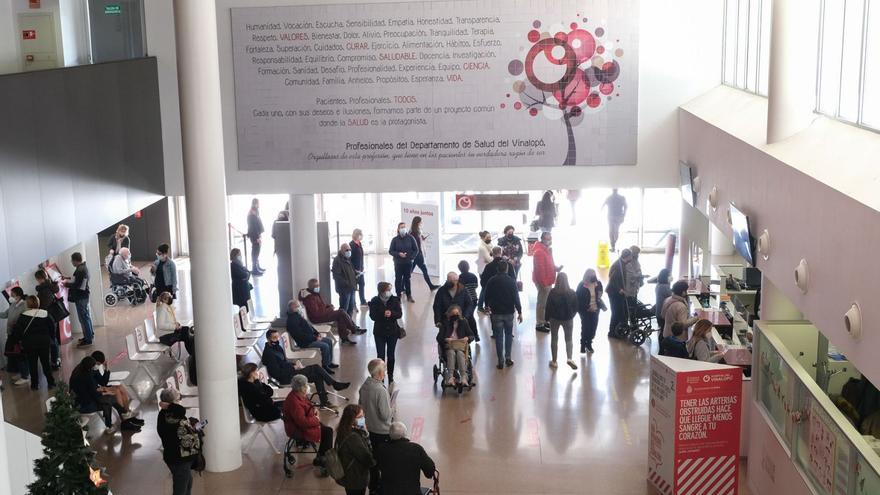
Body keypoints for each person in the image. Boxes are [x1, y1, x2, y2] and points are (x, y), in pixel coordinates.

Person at [261, 329, 349, 405]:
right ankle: (334, 384)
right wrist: (293, 368)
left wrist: (294, 364)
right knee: (316, 368)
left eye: (278, 337)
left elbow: (283, 363)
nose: (277, 340)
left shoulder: (277, 347)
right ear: (268, 339)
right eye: (274, 338)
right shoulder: (269, 354)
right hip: (286, 377)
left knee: (317, 376)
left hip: (290, 372)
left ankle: (324, 401)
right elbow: (277, 373)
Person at [70, 356, 141, 432]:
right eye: (95, 365)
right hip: (84, 405)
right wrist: (105, 392)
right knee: (108, 401)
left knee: (110, 398)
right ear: (90, 367)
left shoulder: (81, 370)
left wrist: (106, 369)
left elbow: (100, 384)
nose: (96, 367)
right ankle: (122, 418)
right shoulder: (87, 376)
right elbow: (94, 393)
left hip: (83, 399)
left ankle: (120, 420)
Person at [283, 375, 334, 469]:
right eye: (306, 385)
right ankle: (322, 460)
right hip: (297, 429)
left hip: (302, 423)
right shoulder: (294, 402)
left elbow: (307, 404)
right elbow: (302, 422)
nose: (307, 386)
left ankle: (322, 457)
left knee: (326, 430)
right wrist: (316, 419)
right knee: (328, 432)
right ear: (301, 388)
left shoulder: (298, 394)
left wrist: (314, 409)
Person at [157, 388, 201, 495]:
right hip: (179, 458)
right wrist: (170, 405)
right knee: (181, 488)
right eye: (178, 398)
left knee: (188, 482)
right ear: (171, 403)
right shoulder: (171, 414)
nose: (180, 400)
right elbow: (181, 411)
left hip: (178, 457)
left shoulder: (166, 413)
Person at [359, 359, 392, 493]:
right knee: (384, 462)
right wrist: (392, 409)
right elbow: (385, 416)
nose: (385, 372)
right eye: (384, 369)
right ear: (379, 372)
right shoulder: (380, 390)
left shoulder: (364, 386)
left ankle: (373, 486)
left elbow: (360, 407)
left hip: (370, 428)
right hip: (382, 431)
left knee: (374, 461)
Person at [375, 422, 436, 495]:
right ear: (405, 434)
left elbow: (375, 467)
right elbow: (430, 471)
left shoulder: (381, 449)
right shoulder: (416, 449)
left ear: (390, 435)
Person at [9, 296, 55, 390]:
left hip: (29, 344)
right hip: (44, 343)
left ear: (27, 304)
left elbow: (18, 331)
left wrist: (17, 341)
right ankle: (51, 382)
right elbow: (52, 327)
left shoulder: (23, 316)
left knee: (32, 364)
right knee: (46, 363)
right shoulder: (45, 313)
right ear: (38, 303)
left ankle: (34, 385)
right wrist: (51, 338)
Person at [298, 279, 362, 344]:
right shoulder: (310, 298)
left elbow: (320, 306)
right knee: (341, 312)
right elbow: (317, 313)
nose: (318, 287)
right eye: (316, 286)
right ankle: (353, 329)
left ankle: (345, 338)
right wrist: (329, 309)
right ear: (312, 287)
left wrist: (328, 306)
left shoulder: (314, 294)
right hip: (317, 318)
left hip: (321, 315)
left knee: (341, 316)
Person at [485, 262, 522, 369]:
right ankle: (508, 358)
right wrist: (519, 311)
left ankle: (500, 361)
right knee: (509, 335)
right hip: (509, 312)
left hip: (496, 313)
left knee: (499, 337)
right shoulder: (511, 281)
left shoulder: (492, 280)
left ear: (497, 269)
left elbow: (487, 295)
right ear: (506, 269)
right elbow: (516, 297)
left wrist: (487, 306)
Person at [287, 299, 341, 369]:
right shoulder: (292, 321)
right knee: (325, 346)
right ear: (292, 308)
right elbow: (300, 336)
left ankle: (329, 363)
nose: (300, 307)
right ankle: (325, 366)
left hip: (311, 338)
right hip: (305, 342)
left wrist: (317, 333)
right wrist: (315, 338)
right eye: (298, 306)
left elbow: (309, 326)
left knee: (329, 341)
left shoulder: (298, 315)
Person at [335, 404, 375, 495]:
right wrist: (373, 463)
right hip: (355, 477)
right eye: (360, 417)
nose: (363, 419)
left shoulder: (343, 430)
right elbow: (366, 457)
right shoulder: (353, 438)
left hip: (349, 474)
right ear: (352, 420)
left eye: (363, 415)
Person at [368, 282, 403, 384]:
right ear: (382, 291)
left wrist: (391, 314)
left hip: (392, 332)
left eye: (390, 290)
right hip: (379, 332)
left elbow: (399, 314)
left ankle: (390, 375)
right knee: (381, 356)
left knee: (391, 355)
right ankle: (380, 375)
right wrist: (383, 314)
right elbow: (372, 316)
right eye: (387, 290)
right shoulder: (375, 301)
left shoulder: (394, 299)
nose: (389, 292)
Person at [544, 272, 578, 370]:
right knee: (569, 339)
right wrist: (572, 315)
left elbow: (548, 306)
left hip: (554, 319)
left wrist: (546, 319)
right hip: (568, 319)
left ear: (557, 280)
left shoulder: (553, 292)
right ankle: (569, 358)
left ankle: (554, 361)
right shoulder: (572, 292)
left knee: (554, 338)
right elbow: (576, 306)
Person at [437, 305, 474, 386]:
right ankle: (450, 377)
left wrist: (467, 338)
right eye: (453, 314)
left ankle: (464, 377)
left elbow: (471, 335)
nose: (455, 315)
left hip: (460, 346)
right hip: (449, 346)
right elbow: (439, 338)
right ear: (449, 314)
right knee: (451, 353)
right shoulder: (445, 323)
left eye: (457, 313)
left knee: (460, 353)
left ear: (460, 314)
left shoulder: (464, 322)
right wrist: (445, 339)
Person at [63, 252, 95, 348]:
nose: (71, 262)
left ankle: (88, 340)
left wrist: (66, 284)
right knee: (86, 317)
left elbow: (77, 284)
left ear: (75, 260)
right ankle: (89, 335)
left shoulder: (80, 270)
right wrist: (68, 278)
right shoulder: (83, 267)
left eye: (72, 260)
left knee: (83, 318)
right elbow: (78, 280)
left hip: (81, 297)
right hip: (84, 295)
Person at [2, 287, 29, 385]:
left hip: (19, 335)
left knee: (20, 355)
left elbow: (26, 319)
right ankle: (21, 373)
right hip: (11, 334)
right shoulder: (13, 304)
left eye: (12, 294)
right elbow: (5, 314)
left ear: (18, 294)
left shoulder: (25, 305)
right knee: (15, 354)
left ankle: (25, 376)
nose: (10, 296)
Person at [532, 231, 558, 333]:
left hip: (548, 279)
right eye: (547, 239)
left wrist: (556, 268)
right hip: (543, 282)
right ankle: (539, 323)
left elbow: (550, 263)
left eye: (550, 238)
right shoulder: (539, 251)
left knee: (546, 303)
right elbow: (540, 270)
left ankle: (544, 320)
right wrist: (545, 284)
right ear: (542, 239)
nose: (549, 240)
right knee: (541, 303)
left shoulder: (547, 249)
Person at [33, 269, 61, 363]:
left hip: (47, 316)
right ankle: (55, 358)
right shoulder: (50, 285)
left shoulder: (44, 289)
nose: (37, 281)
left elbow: (44, 304)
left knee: (51, 338)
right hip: (52, 315)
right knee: (53, 337)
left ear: (40, 279)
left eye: (37, 279)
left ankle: (54, 359)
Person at [575, 269, 604, 354]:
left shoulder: (597, 283)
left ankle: (589, 342)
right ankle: (583, 345)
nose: (593, 277)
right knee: (585, 328)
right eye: (591, 275)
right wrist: (587, 307)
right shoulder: (582, 285)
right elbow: (579, 299)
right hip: (585, 310)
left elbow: (600, 291)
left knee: (593, 328)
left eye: (594, 275)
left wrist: (599, 293)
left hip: (595, 309)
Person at [388, 222, 419, 302]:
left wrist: (411, 258)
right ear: (398, 229)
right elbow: (390, 251)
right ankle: (398, 296)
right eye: (401, 227)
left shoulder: (411, 238)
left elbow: (416, 250)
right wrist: (398, 254)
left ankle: (409, 295)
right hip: (398, 263)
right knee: (398, 279)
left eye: (404, 227)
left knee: (407, 279)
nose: (403, 229)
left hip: (408, 263)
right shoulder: (395, 239)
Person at [606, 249, 631, 338]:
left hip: (618, 292)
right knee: (616, 312)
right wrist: (619, 289)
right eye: (630, 257)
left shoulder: (622, 264)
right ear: (627, 257)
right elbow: (612, 280)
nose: (631, 258)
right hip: (614, 292)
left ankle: (618, 330)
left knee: (620, 312)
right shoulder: (617, 266)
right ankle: (612, 332)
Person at [410, 216, 440, 291]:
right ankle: (431, 286)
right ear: (418, 223)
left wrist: (422, 238)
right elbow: (415, 243)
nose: (422, 223)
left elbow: (418, 240)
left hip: (415, 255)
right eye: (421, 221)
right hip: (418, 255)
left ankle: (402, 287)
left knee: (410, 272)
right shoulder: (414, 232)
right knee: (424, 270)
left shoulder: (415, 231)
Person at [332, 243, 358, 316]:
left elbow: (350, 270)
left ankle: (350, 324)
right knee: (344, 308)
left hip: (352, 287)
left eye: (350, 249)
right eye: (347, 250)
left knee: (351, 307)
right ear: (342, 250)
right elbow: (336, 276)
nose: (349, 251)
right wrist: (347, 283)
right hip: (344, 289)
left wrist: (356, 273)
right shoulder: (337, 260)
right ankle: (343, 324)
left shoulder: (348, 259)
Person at [457, 261, 479, 340]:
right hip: (474, 299)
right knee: (470, 316)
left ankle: (470, 335)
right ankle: (475, 335)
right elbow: (476, 286)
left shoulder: (459, 278)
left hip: (464, 301)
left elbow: (459, 290)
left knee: (469, 317)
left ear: (460, 269)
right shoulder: (473, 276)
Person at [246, 197, 265, 275]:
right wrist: (257, 237)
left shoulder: (255, 212)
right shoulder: (252, 213)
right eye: (258, 203)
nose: (259, 205)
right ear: (255, 203)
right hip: (255, 235)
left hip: (257, 234)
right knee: (255, 252)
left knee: (257, 251)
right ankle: (254, 269)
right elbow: (253, 226)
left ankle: (257, 266)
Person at [475, 230, 493, 312]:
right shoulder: (482, 248)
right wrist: (493, 256)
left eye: (490, 237)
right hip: (483, 271)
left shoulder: (488, 245)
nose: (490, 239)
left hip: (486, 270)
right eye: (487, 237)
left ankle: (486, 306)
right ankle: (480, 306)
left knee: (487, 289)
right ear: (482, 238)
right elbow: (490, 260)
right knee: (484, 289)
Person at [350, 229, 368, 306]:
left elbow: (360, 257)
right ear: (356, 235)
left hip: (360, 270)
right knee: (354, 287)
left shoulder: (359, 243)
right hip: (354, 271)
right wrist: (354, 270)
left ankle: (363, 301)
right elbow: (350, 259)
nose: (361, 236)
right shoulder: (351, 245)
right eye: (360, 234)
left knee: (362, 284)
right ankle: (353, 304)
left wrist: (362, 268)